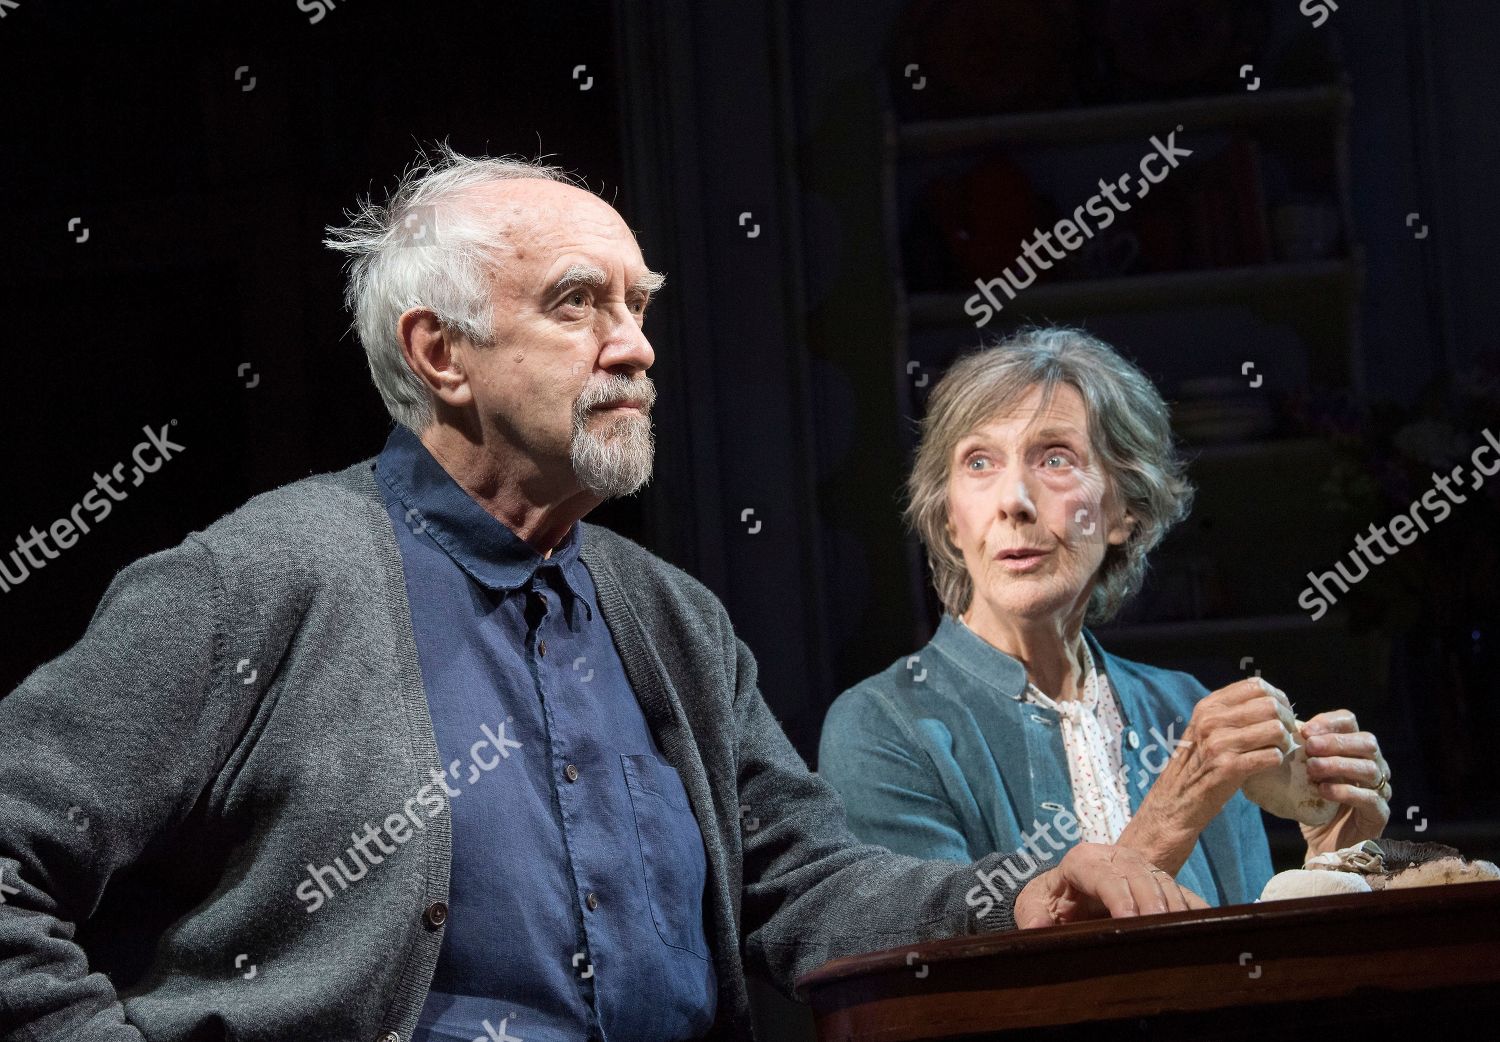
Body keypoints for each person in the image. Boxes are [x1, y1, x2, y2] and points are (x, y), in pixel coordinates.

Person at [0, 153, 1202, 1042]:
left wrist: (1017, 893)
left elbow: (805, 883)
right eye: (580, 304)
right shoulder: (262, 579)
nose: (635, 347)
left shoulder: (672, 619)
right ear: (439, 353)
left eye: (639, 306)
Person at [819, 328, 1392, 907]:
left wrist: (1329, 864)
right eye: (979, 461)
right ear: (949, 522)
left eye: (1055, 458)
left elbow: (1249, 973)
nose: (1013, 499)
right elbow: (955, 982)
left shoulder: (1184, 707)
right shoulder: (880, 726)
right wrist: (1177, 807)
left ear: (1125, 513)